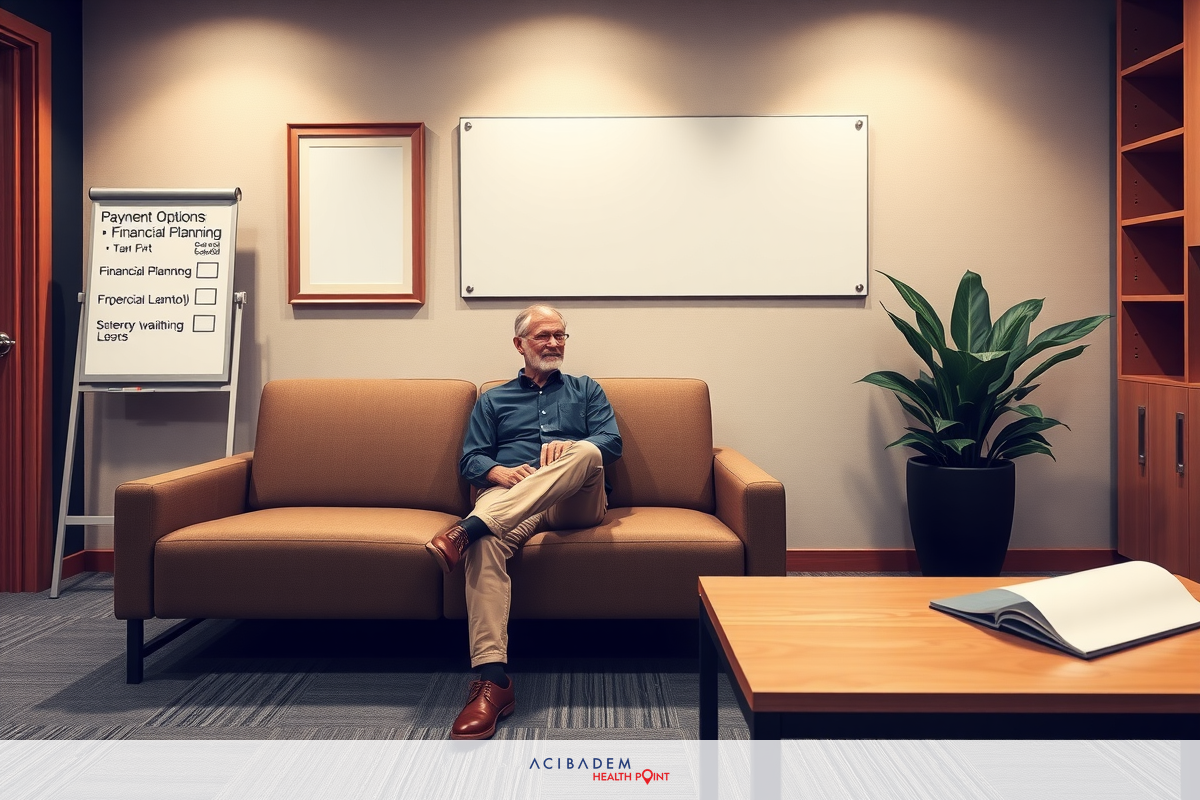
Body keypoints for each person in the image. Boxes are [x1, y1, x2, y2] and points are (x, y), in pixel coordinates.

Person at [425, 304, 622, 740]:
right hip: (513, 499)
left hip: (575, 503)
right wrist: (497, 473)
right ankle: (493, 682)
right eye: (543, 336)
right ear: (520, 345)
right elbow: (471, 458)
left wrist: (571, 448)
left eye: (560, 336)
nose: (554, 343)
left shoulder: (586, 389)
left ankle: (467, 528)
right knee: (487, 541)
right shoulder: (493, 400)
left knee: (588, 453)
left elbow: (610, 442)